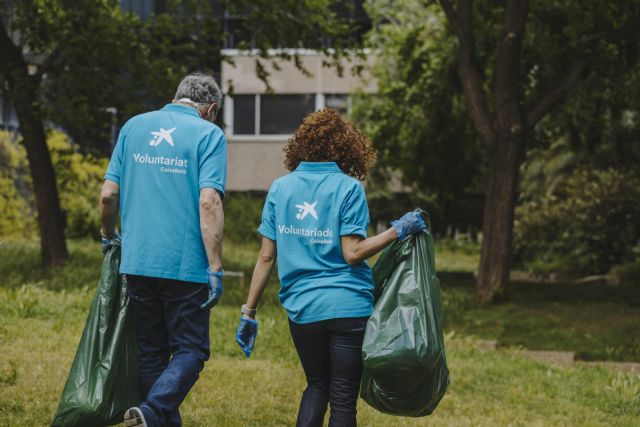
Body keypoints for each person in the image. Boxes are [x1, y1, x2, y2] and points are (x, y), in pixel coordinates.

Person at [235, 108, 425, 427]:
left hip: (303, 309)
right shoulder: (349, 188)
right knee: (342, 397)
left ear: (302, 145)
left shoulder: (280, 189)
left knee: (316, 385)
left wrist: (248, 312)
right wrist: (398, 230)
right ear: (347, 149)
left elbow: (267, 257)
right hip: (348, 308)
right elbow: (352, 253)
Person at [99, 73, 227, 427]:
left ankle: (149, 416)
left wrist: (108, 237)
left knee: (152, 351)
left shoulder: (134, 126)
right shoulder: (209, 134)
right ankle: (153, 410)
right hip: (185, 266)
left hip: (137, 261)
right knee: (191, 349)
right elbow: (209, 202)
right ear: (211, 109)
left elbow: (108, 195)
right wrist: (215, 268)